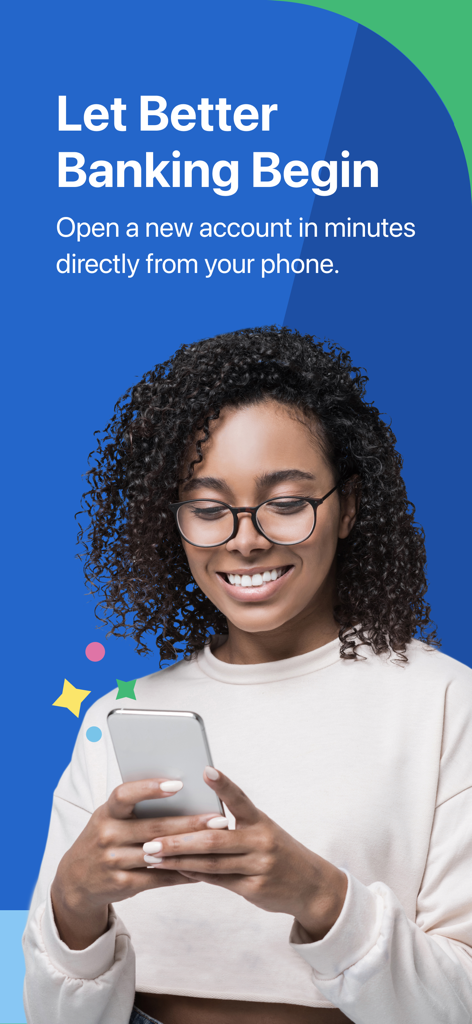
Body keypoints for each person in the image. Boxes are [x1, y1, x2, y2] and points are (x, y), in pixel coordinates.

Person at [23, 326, 472, 1024]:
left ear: (348, 506)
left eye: (287, 502)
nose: (245, 537)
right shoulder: (120, 716)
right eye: (208, 509)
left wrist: (318, 896)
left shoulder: (444, 701)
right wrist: (72, 908)